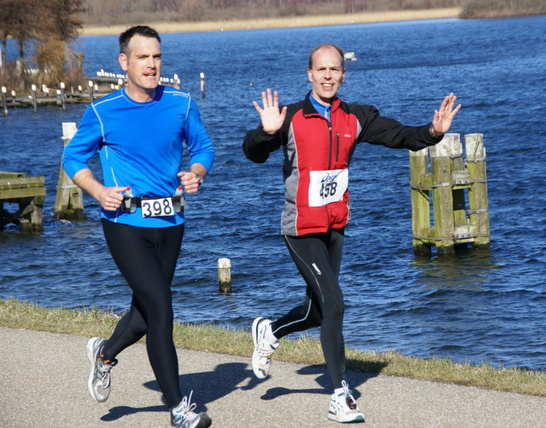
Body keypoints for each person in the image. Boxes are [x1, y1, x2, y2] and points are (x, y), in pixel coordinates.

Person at [243, 43, 460, 424]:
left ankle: (270, 330)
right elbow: (253, 153)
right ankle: (340, 394)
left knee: (317, 310)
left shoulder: (355, 118)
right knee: (335, 303)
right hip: (300, 228)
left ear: (343, 75)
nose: (328, 76)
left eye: (335, 70)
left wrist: (432, 132)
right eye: (321, 69)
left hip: (335, 226)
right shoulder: (289, 116)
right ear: (309, 74)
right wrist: (265, 133)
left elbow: (400, 136)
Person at [62, 25, 214, 428]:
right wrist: (98, 191)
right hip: (124, 221)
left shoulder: (180, 104)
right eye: (143, 57)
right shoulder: (103, 111)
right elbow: (73, 160)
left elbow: (202, 147)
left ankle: (105, 354)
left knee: (146, 312)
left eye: (157, 57)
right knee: (162, 308)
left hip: (172, 220)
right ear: (124, 63)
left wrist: (196, 172)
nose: (152, 65)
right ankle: (178, 408)